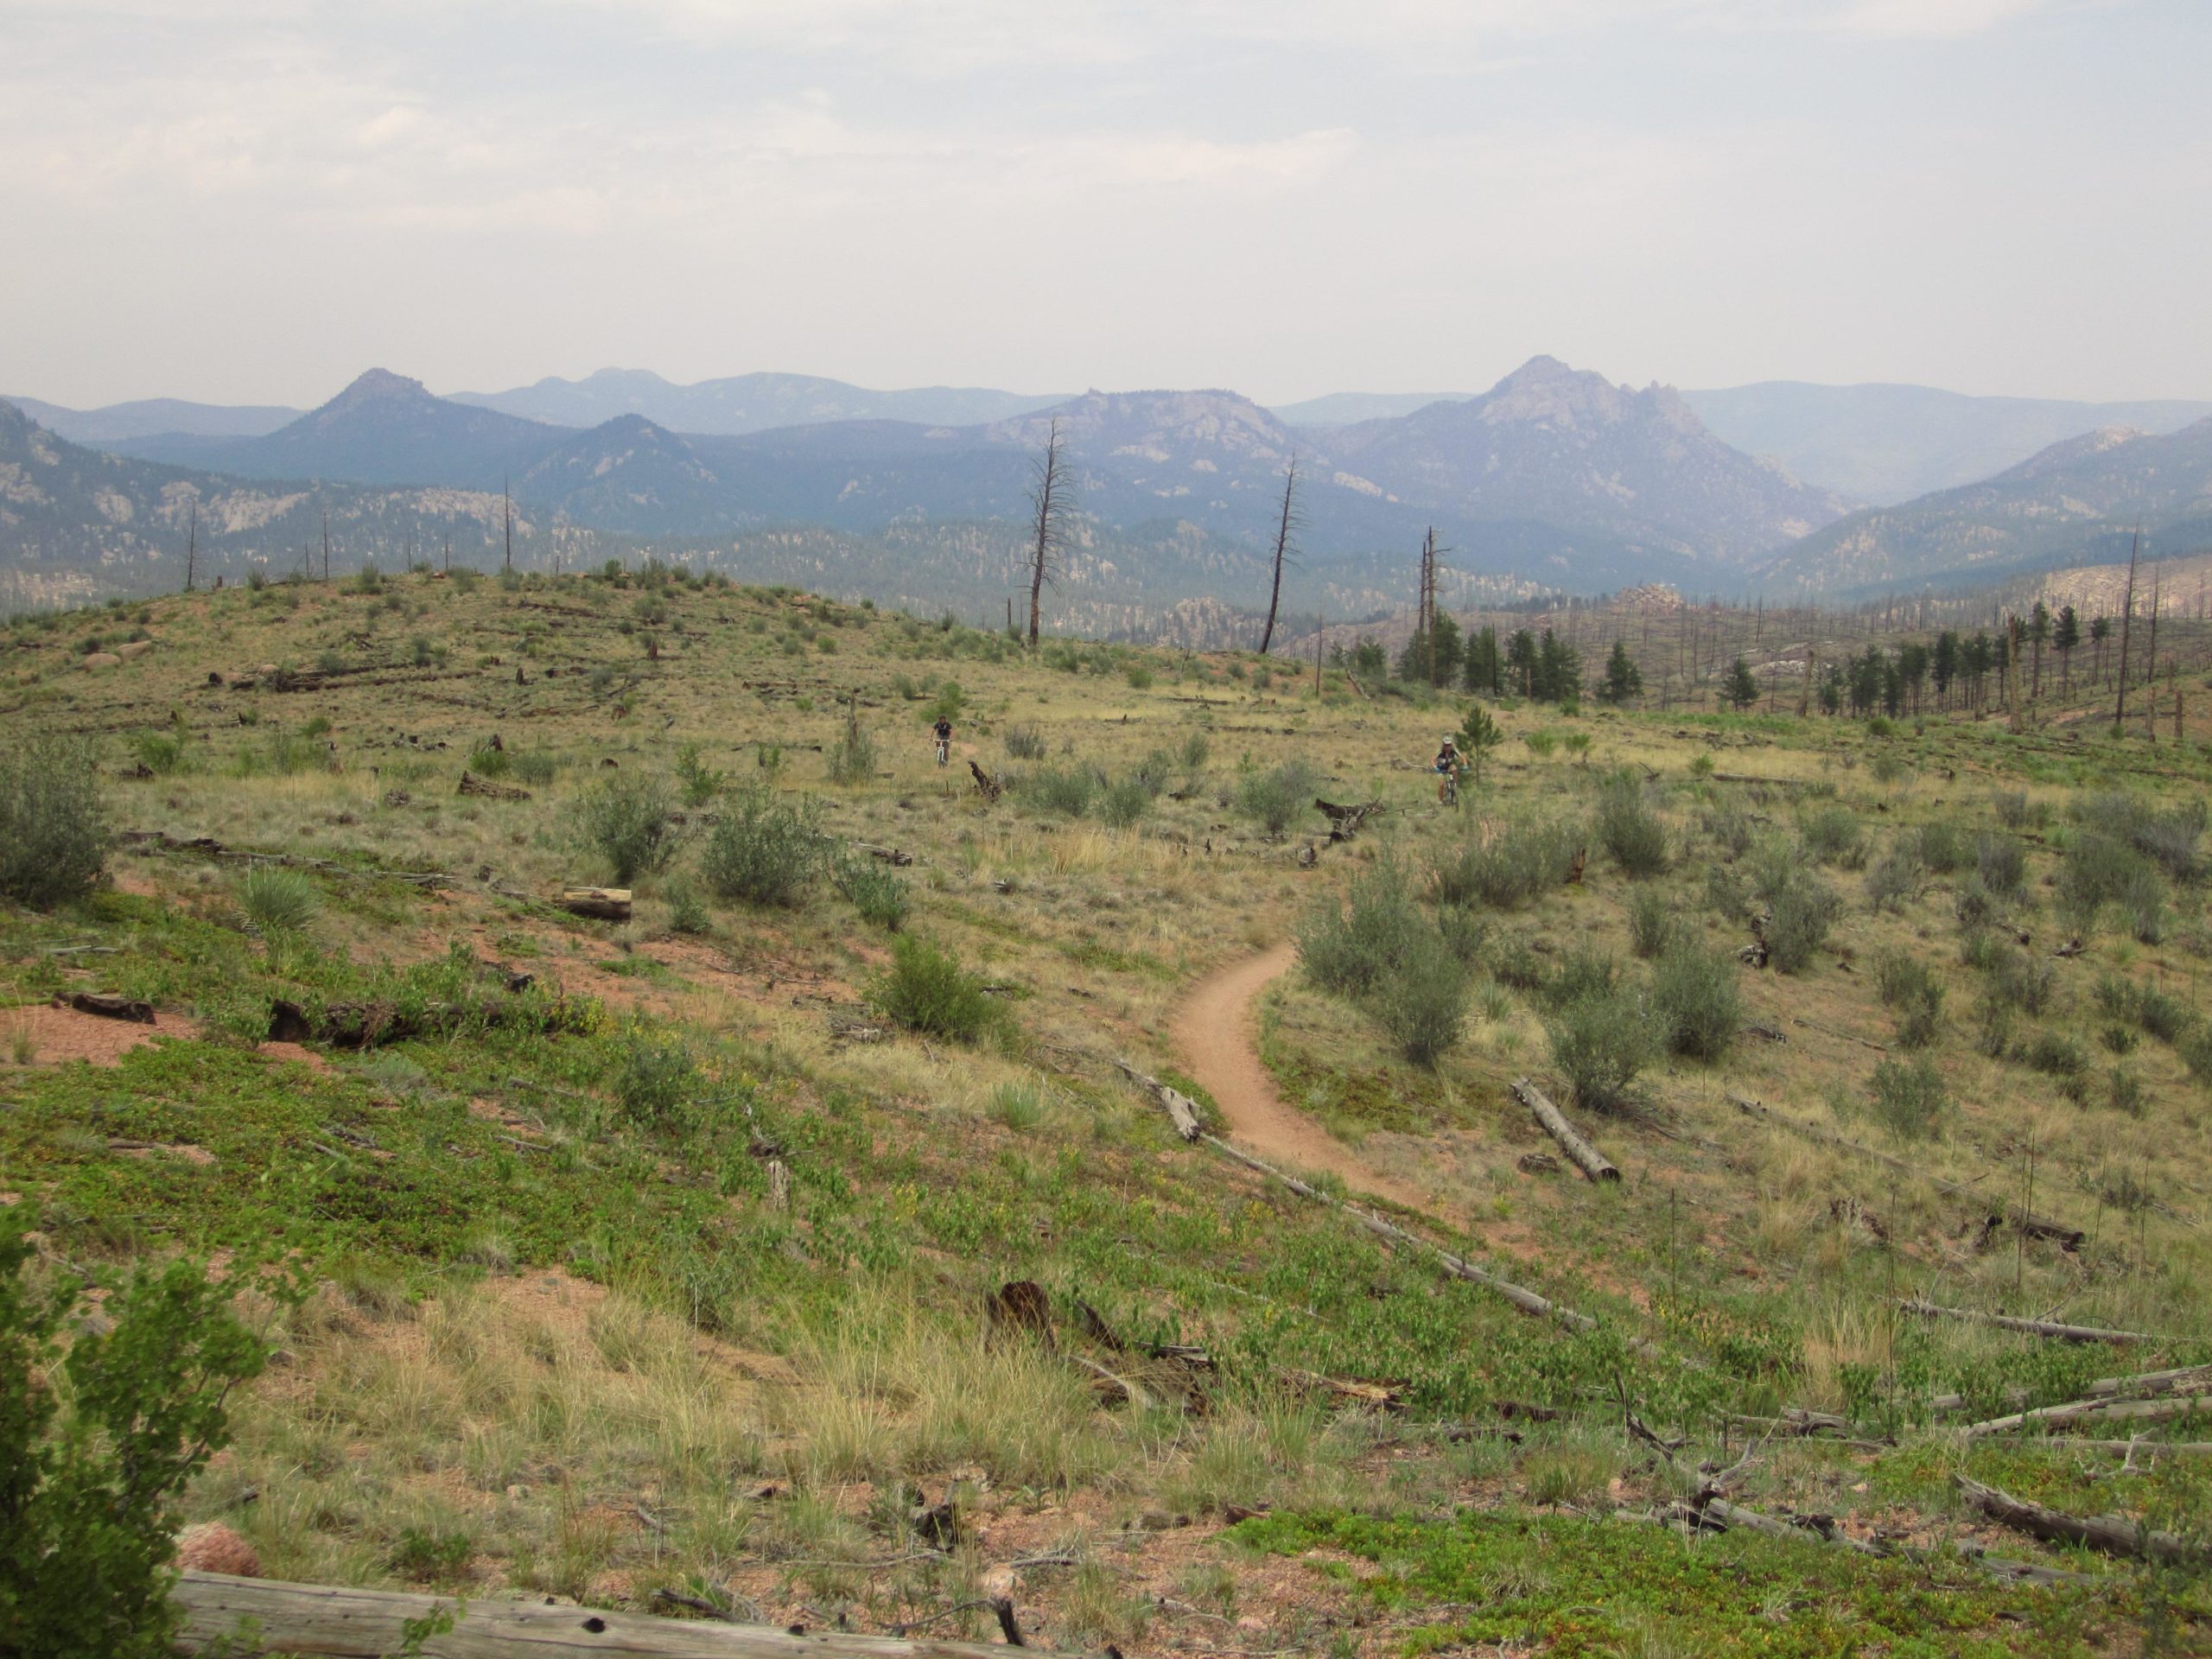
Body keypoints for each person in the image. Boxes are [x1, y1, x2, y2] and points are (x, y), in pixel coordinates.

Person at [1433, 736, 1463, 804]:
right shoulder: (1440, 751)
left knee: (1454, 767)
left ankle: (1455, 785)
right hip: (1440, 769)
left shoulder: (1454, 750)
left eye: (1449, 745)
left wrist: (1465, 765)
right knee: (1441, 785)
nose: (1448, 747)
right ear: (1443, 745)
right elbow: (1432, 760)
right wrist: (1435, 767)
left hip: (1449, 766)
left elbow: (1462, 757)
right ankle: (1440, 801)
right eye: (1446, 745)